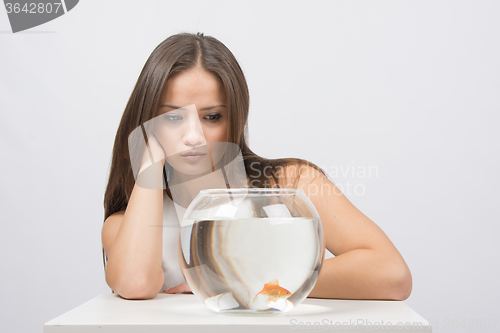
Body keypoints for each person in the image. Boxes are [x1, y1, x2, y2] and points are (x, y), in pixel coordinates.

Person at [102, 32, 412, 301]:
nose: (194, 137)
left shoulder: (290, 183)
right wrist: (148, 165)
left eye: (212, 117)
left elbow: (391, 273)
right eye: (172, 117)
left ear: (234, 118)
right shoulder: (123, 224)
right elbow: (135, 284)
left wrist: (252, 283)